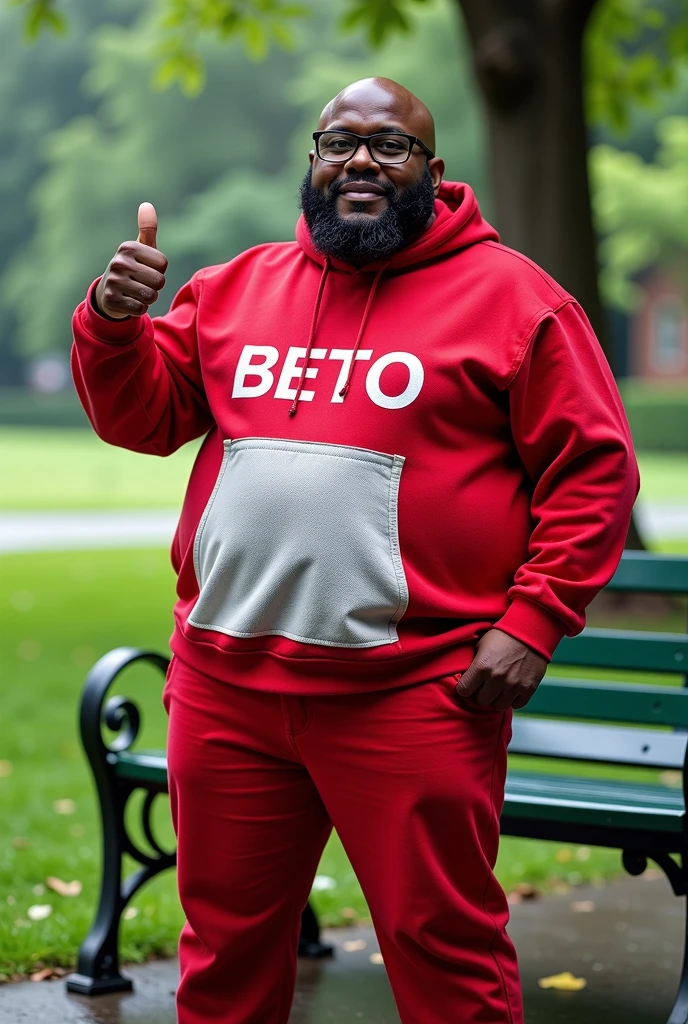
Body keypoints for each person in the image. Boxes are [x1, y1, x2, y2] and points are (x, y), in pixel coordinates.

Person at [71, 77, 639, 1024]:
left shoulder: (516, 300)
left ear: (434, 169)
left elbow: (594, 470)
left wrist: (536, 619)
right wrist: (111, 321)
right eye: (338, 143)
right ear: (312, 162)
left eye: (389, 145)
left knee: (443, 953)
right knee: (225, 954)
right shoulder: (238, 287)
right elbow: (143, 415)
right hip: (229, 686)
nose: (360, 162)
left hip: (413, 692)